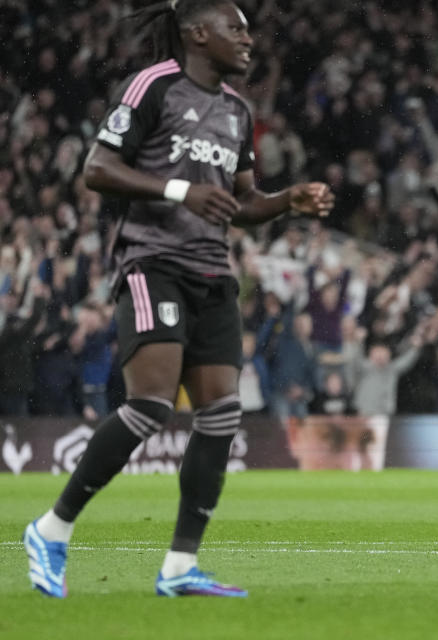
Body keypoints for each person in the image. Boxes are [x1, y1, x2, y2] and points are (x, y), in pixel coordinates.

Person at [24, 0, 334, 598]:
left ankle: (179, 567)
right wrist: (177, 189)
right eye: (235, 29)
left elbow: (240, 204)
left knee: (221, 414)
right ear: (197, 34)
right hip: (153, 264)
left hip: (213, 273)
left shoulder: (238, 112)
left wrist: (286, 199)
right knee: (152, 406)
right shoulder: (154, 86)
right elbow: (97, 167)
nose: (248, 40)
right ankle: (51, 529)